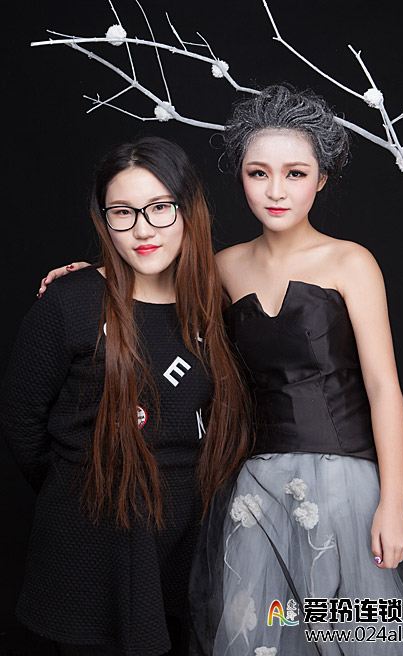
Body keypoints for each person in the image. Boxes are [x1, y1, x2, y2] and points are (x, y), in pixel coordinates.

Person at [37, 86, 403, 655]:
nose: (276, 191)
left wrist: (392, 502)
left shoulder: (351, 262)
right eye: (258, 174)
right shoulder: (222, 267)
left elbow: (383, 387)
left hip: (347, 481)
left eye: (295, 174)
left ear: (321, 179)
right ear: (241, 177)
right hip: (257, 485)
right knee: (263, 636)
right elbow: (148, 274)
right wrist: (91, 274)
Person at [0, 136, 250, 656]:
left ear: (188, 209)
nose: (142, 229)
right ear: (104, 219)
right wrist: (84, 485)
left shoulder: (215, 302)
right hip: (92, 544)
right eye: (123, 212)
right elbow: (21, 420)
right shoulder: (70, 303)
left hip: (189, 542)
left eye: (159, 207)